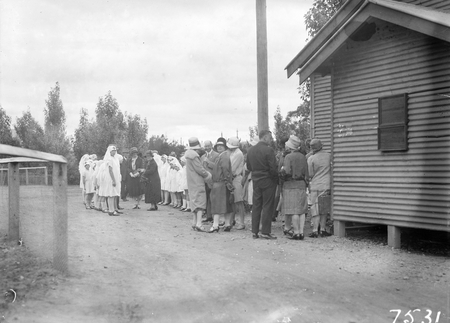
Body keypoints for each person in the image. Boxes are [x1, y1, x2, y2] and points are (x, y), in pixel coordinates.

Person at [246, 130, 278, 239]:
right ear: (265, 137)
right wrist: (275, 178)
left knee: (256, 205)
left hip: (256, 179)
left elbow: (249, 167)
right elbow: (273, 168)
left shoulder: (250, 150)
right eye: (270, 138)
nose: (271, 140)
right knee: (267, 206)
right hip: (268, 179)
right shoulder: (269, 150)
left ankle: (254, 231)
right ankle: (265, 231)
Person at [280, 135, 309, 240]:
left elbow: (286, 171)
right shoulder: (303, 156)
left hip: (290, 185)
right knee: (301, 210)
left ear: (290, 147)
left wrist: (282, 170)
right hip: (301, 184)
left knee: (294, 210)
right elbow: (307, 172)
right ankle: (301, 232)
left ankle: (296, 232)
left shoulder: (288, 157)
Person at [185, 137, 212, 232]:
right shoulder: (194, 156)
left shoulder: (188, 155)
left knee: (194, 201)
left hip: (191, 181)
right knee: (200, 201)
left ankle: (194, 222)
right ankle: (199, 223)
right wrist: (207, 174)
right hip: (197, 181)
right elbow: (199, 169)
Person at [208, 137, 234, 233]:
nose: (219, 147)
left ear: (225, 147)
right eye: (217, 146)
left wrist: (227, 181)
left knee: (217, 204)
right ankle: (227, 224)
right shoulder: (222, 156)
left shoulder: (224, 156)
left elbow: (225, 169)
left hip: (221, 182)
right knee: (226, 204)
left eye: (221, 146)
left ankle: (215, 225)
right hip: (222, 182)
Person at [307, 138, 331, 238]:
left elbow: (310, 174)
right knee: (324, 208)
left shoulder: (311, 158)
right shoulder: (329, 156)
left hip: (315, 185)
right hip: (326, 184)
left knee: (315, 208)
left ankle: (314, 230)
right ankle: (323, 229)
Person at [227, 137, 246, 230]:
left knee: (239, 201)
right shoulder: (233, 153)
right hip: (232, 178)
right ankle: (232, 220)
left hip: (236, 178)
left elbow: (232, 167)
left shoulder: (238, 154)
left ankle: (242, 222)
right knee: (233, 202)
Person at [98, 145, 121, 216]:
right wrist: (113, 180)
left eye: (115, 151)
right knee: (111, 195)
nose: (114, 152)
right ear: (109, 152)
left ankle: (114, 209)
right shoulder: (109, 159)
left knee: (114, 195)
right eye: (112, 151)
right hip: (111, 179)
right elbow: (110, 170)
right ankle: (111, 210)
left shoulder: (116, 159)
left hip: (116, 178)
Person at [201, 140, 219, 222]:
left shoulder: (216, 155)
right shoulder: (203, 156)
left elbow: (217, 167)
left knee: (213, 198)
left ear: (212, 146)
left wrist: (209, 162)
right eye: (205, 146)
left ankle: (214, 216)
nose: (207, 148)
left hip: (212, 180)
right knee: (207, 198)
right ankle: (208, 216)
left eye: (208, 146)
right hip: (204, 180)